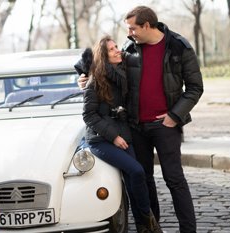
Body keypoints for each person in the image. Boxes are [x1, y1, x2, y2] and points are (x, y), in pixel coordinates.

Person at [78, 6, 204, 233]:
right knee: (144, 179)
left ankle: (188, 229)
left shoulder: (179, 47)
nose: (129, 33)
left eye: (133, 28)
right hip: (135, 127)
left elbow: (195, 87)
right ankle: (151, 227)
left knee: (174, 179)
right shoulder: (130, 48)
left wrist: (174, 116)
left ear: (147, 25)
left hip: (166, 126)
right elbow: (107, 70)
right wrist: (84, 77)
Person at [76, 35, 162, 232]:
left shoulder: (120, 74)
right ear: (104, 57)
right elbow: (89, 116)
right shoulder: (94, 81)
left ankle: (143, 226)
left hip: (123, 135)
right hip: (101, 140)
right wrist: (114, 137)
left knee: (134, 177)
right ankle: (148, 222)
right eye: (112, 49)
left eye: (117, 47)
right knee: (137, 170)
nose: (118, 51)